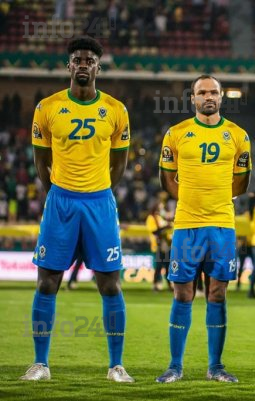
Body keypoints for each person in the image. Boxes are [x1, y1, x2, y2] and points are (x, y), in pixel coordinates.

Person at [22, 36, 134, 382]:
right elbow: (41, 160)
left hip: (99, 202)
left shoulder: (116, 110)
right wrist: (58, 192)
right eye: (77, 60)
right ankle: (40, 364)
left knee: (110, 285)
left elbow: (120, 163)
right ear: (68, 65)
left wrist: (98, 192)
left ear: (98, 67)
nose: (83, 65)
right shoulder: (47, 107)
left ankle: (116, 366)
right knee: (47, 283)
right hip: (61, 201)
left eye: (89, 60)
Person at [156, 74, 251, 383]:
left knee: (217, 293)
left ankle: (216, 367)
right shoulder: (176, 133)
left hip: (222, 224)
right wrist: (190, 199)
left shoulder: (238, 135)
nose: (208, 97)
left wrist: (217, 198)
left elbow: (242, 181)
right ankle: (175, 366)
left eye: (213, 92)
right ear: (193, 98)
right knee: (183, 293)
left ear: (221, 97)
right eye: (202, 92)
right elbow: (166, 178)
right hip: (187, 224)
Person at [146, 199, 173, 292]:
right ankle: (156, 284)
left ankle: (169, 285)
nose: (162, 209)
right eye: (160, 207)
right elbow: (154, 231)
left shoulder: (160, 218)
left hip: (166, 244)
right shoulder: (151, 218)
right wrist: (166, 227)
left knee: (167, 265)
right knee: (159, 266)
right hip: (158, 245)